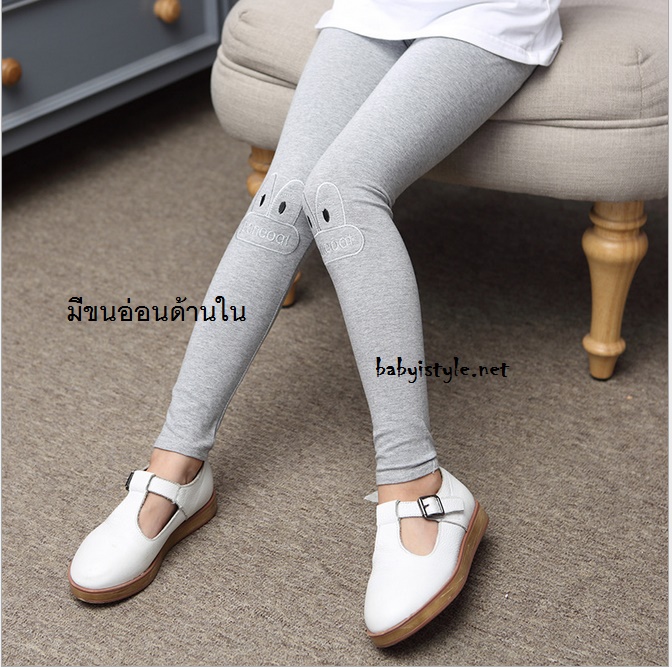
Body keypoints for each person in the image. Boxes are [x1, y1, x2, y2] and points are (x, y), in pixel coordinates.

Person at [68, 0, 562, 647]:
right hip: (376, 9)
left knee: (342, 191)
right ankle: (175, 468)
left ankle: (419, 483)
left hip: (485, 14)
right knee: (282, 199)